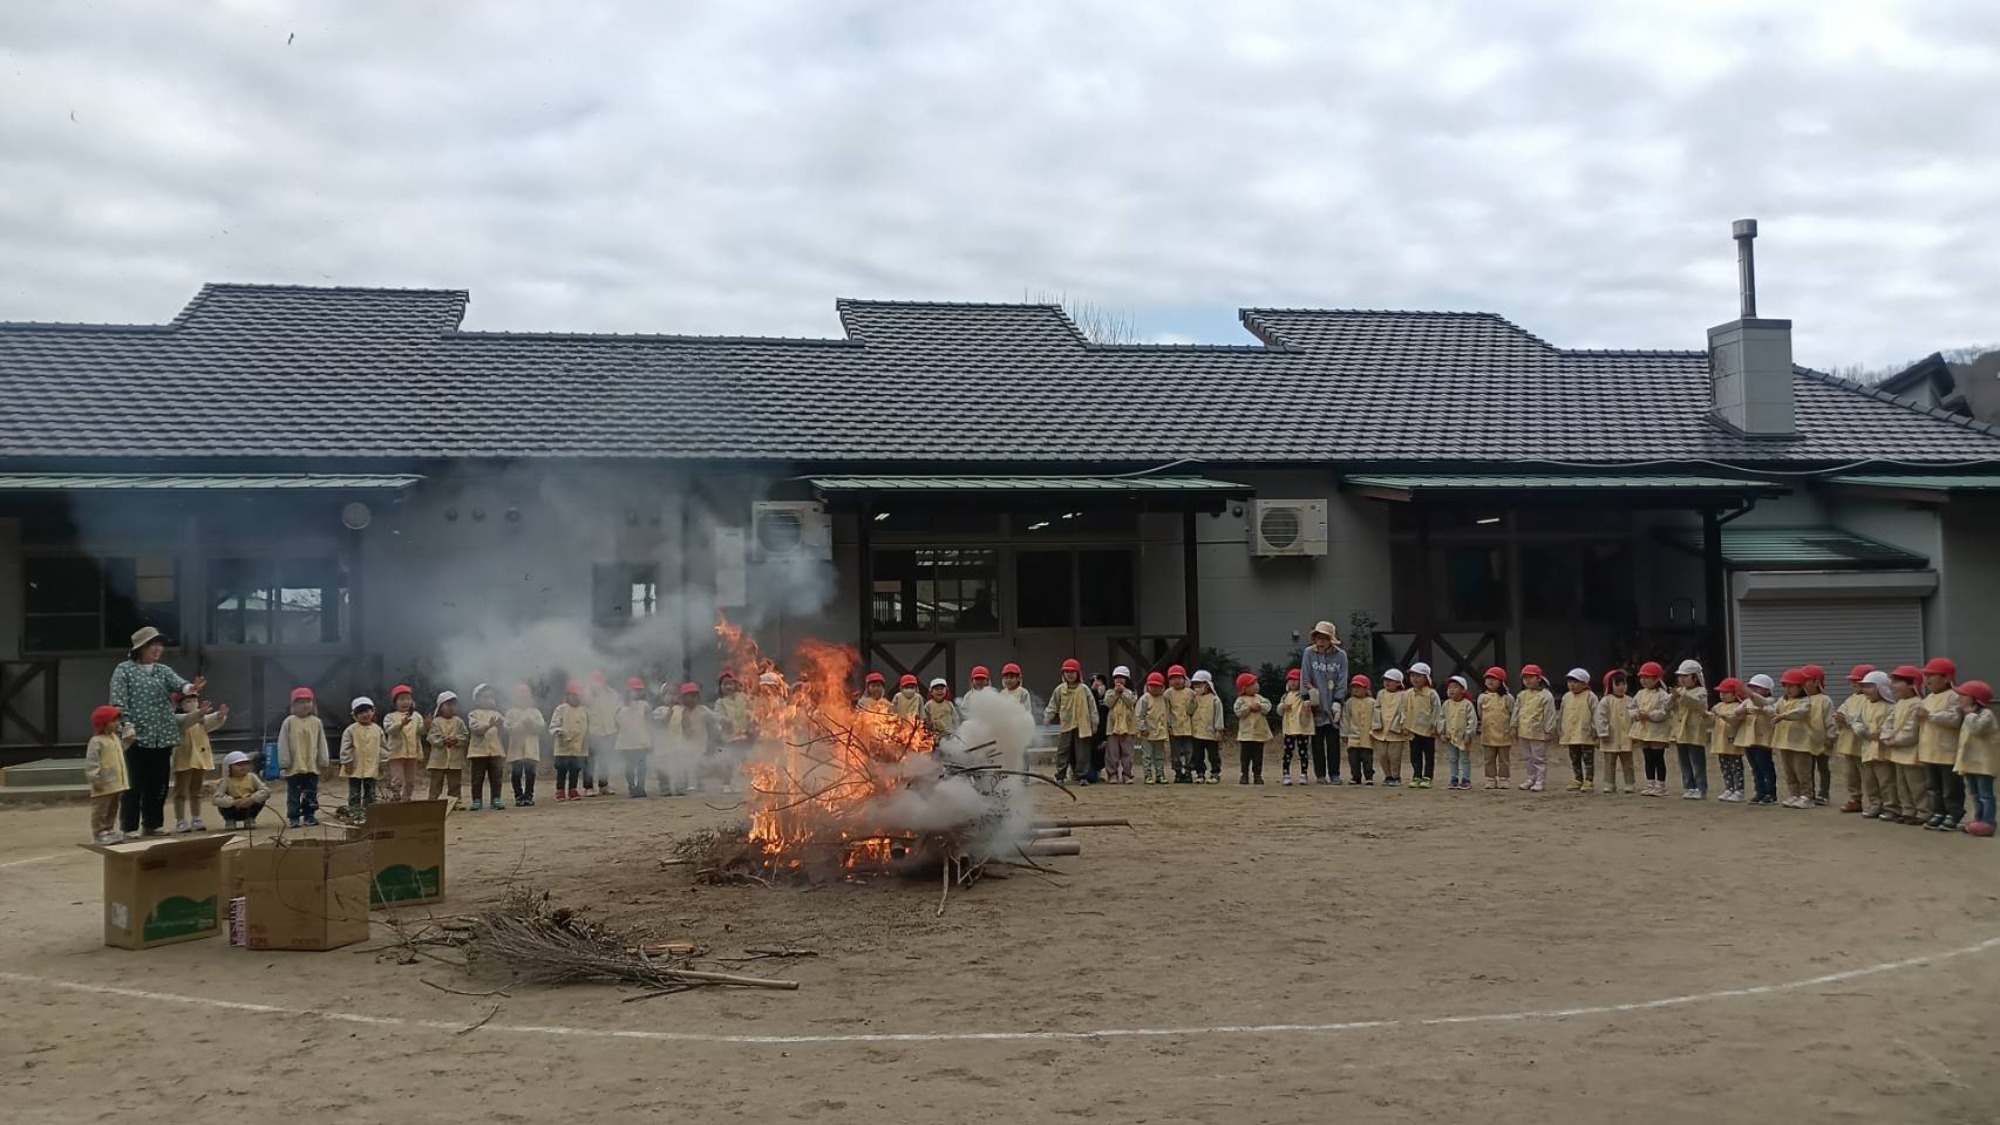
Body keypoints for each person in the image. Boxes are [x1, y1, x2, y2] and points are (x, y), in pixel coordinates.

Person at [108, 626, 205, 838]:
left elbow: (179, 684)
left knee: (159, 783)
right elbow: (118, 701)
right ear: (140, 648)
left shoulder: (163, 670)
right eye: (153, 644)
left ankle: (153, 824)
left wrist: (191, 688)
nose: (158, 649)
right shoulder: (124, 670)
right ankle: (129, 827)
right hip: (136, 736)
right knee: (134, 784)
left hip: (162, 736)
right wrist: (126, 726)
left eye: (160, 644)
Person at [1917, 657, 1966, 831]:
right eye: (1926, 675)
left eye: (1932, 675)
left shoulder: (1954, 696)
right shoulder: (1928, 698)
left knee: (1950, 787)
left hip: (1947, 751)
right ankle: (1938, 811)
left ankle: (1954, 813)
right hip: (1929, 751)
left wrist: (1929, 715)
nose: (1927, 680)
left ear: (1946, 678)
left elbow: (1954, 719)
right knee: (1933, 786)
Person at [171, 687, 227, 833]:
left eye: (195, 700)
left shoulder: (200, 719)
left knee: (196, 791)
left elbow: (209, 721)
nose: (193, 703)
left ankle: (196, 818)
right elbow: (188, 720)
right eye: (188, 701)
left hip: (200, 757)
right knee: (181, 791)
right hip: (184, 758)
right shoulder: (177, 719)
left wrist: (219, 716)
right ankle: (180, 820)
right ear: (180, 704)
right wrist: (199, 713)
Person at [1299, 621, 1348, 785]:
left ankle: (1335, 773)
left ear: (1330, 639)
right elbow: (1305, 676)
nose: (1320, 640)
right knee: (1317, 742)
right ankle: (1320, 774)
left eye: (1324, 637)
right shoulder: (1308, 653)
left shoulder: (1341, 655)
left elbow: (1342, 679)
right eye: (1318, 637)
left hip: (1332, 703)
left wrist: (1338, 700)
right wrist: (1306, 698)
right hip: (1316, 703)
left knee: (1333, 742)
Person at [1881, 665, 1929, 826]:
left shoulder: (1917, 703)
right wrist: (1887, 737)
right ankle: (1907, 810)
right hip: (1896, 751)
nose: (1894, 685)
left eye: (1898, 682)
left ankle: (1923, 811)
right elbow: (1888, 722)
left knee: (1917, 785)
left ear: (1911, 684)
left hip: (1911, 751)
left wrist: (1896, 740)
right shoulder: (1899, 704)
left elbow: (1912, 729)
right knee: (1901, 784)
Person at [277, 687, 328, 827]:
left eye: (308, 701)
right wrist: (284, 761)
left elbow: (321, 742)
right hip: (294, 766)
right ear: (294, 705)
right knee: (293, 793)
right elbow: (283, 743)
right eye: (301, 702)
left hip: (311, 765)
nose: (305, 705)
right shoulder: (289, 722)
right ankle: (293, 817)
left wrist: (323, 760)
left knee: (310, 792)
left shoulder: (316, 722)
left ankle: (309, 815)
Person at [1044, 659, 1098, 785]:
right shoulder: (1060, 689)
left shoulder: (1084, 689)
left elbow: (1092, 707)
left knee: (1082, 752)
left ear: (1078, 673)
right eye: (1067, 671)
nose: (1070, 674)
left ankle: (1082, 776)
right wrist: (1048, 717)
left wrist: (1094, 722)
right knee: (1063, 751)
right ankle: (1060, 775)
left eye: (1073, 672)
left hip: (1082, 724)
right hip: (1066, 724)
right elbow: (1053, 704)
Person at [1832, 665, 1877, 814]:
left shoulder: (1870, 700)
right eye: (1853, 682)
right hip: (1848, 742)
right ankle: (1855, 798)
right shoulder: (1851, 699)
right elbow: (1841, 711)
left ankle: (1874, 801)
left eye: (1857, 682)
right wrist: (1839, 718)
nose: (1854, 685)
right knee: (1850, 774)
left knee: (1868, 776)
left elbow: (1863, 719)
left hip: (1862, 743)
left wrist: (1848, 719)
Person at [85, 704, 132, 844]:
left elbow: (119, 751)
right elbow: (92, 762)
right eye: (115, 720)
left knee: (113, 807)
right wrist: (95, 779)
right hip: (103, 783)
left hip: (116, 782)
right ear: (104, 723)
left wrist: (127, 742)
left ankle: (109, 829)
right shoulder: (96, 741)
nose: (118, 723)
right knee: (100, 809)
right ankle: (99, 833)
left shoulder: (114, 738)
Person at [1953, 681, 1996, 836]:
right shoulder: (1967, 715)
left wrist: (1969, 714)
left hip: (1983, 763)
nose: (1959, 698)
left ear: (1974, 698)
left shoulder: (1986, 714)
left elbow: (1978, 729)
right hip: (1970, 762)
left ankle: (1988, 821)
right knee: (1975, 794)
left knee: (1985, 795)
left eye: (1963, 695)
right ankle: (1978, 820)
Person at [1771, 670, 1819, 809]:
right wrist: (1762, 709)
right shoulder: (1782, 700)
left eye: (1792, 686)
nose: (1788, 690)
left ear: (1800, 687)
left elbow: (1801, 713)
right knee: (1789, 770)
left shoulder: (1805, 701)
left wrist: (1783, 715)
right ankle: (1794, 794)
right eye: (1786, 686)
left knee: (1802, 770)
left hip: (1801, 742)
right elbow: (1772, 709)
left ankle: (1807, 796)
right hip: (1784, 741)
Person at [1855, 670, 1899, 821]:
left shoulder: (1890, 707)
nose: (1866, 690)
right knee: (1870, 780)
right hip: (1868, 749)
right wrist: (1864, 732)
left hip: (1883, 750)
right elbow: (1857, 721)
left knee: (1886, 781)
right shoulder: (1864, 706)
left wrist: (1881, 734)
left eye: (1870, 686)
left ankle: (1891, 807)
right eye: (1864, 687)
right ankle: (1875, 804)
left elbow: (1891, 724)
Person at [657, 683, 715, 796]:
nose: (672, 697)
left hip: (679, 744)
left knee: (680, 766)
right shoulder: (659, 710)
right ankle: (665, 789)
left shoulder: (683, 710)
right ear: (662, 696)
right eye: (669, 694)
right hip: (664, 745)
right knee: (663, 768)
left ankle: (680, 788)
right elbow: (658, 725)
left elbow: (687, 726)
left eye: (675, 694)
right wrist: (668, 714)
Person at [1668, 660, 1711, 800]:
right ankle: (1689, 786)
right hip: (1681, 731)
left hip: (1695, 731)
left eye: (1686, 676)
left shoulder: (1701, 691)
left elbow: (1697, 703)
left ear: (1695, 677)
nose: (1682, 679)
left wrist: (1681, 697)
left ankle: (1700, 788)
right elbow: (1666, 707)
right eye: (1680, 676)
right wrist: (1672, 698)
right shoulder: (1679, 691)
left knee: (1697, 762)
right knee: (1684, 762)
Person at [1513, 665, 1558, 793]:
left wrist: (1549, 730)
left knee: (1539, 757)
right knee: (1527, 757)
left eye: (1530, 677)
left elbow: (1550, 714)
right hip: (1523, 731)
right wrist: (1514, 726)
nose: (1527, 680)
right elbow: (1517, 711)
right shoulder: (1522, 695)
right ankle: (1531, 778)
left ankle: (1540, 780)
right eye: (1524, 678)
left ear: (1539, 678)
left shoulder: (1546, 696)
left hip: (1538, 731)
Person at [1632, 662, 1673, 798]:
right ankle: (1650, 783)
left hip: (1657, 731)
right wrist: (1636, 715)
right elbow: (1631, 707)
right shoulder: (1640, 693)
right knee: (1647, 758)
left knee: (1658, 758)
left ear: (1657, 679)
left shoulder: (1663, 695)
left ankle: (1660, 785)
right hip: (1644, 730)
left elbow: (1664, 712)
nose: (1643, 680)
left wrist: (1649, 715)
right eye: (1642, 677)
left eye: (1647, 677)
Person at [339, 696, 384, 820]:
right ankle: (355, 812)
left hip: (372, 766)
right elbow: (345, 747)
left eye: (367, 711)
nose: (365, 714)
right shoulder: (350, 730)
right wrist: (347, 761)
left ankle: (370, 812)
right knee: (355, 792)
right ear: (355, 715)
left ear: (373, 711)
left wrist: (383, 762)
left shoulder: (377, 729)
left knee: (370, 791)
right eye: (361, 712)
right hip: (355, 767)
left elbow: (383, 746)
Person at [464, 684, 508, 811]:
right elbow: (475, 729)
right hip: (478, 752)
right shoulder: (473, 714)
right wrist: (489, 726)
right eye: (484, 697)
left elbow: (502, 731)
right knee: (477, 778)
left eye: (490, 697)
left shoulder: (497, 714)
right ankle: (477, 800)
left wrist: (500, 727)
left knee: (496, 777)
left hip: (496, 750)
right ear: (476, 700)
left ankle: (496, 799)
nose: (488, 700)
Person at [1738, 673, 1780, 805]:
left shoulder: (1771, 701)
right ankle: (1760, 792)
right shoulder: (1747, 702)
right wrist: (1742, 711)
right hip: (1750, 738)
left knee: (1765, 766)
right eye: (1751, 687)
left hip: (1763, 739)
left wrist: (1752, 696)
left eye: (1757, 688)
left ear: (1767, 690)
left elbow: (1768, 707)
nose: (1753, 690)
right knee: (1755, 767)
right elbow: (1737, 712)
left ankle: (1770, 793)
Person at [382, 685, 427, 802]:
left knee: (410, 781)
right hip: (396, 753)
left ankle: (406, 799)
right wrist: (401, 724)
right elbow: (389, 730)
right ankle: (396, 798)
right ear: (395, 702)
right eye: (401, 699)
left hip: (412, 753)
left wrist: (427, 726)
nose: (405, 702)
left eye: (408, 699)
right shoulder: (390, 717)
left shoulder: (416, 716)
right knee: (397, 779)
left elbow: (421, 731)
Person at [505, 684, 547, 808]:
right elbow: (508, 728)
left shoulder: (535, 712)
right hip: (516, 747)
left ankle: (529, 795)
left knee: (530, 773)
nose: (523, 700)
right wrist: (520, 724)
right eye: (520, 698)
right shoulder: (511, 712)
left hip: (531, 748)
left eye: (525, 698)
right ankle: (518, 796)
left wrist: (531, 724)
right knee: (516, 773)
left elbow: (541, 727)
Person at [425, 691, 469, 807]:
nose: (451, 708)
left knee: (455, 782)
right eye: (448, 705)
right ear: (440, 707)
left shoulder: (459, 721)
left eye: (454, 705)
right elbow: (431, 737)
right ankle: (433, 801)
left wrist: (457, 740)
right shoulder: (436, 722)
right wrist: (442, 741)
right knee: (436, 782)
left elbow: (465, 735)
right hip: (438, 759)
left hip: (455, 758)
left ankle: (456, 801)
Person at [1596, 669, 1636, 794]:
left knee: (1628, 762)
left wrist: (1635, 732)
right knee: (1609, 762)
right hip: (1610, 737)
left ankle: (1630, 783)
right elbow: (1600, 718)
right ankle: (1609, 783)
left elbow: (1635, 717)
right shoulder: (1605, 701)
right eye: (1617, 684)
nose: (1621, 687)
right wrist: (1603, 733)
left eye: (1623, 684)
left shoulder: (1630, 700)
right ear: (1610, 685)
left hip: (1626, 737)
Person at [1559, 668, 1598, 793]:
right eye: (1570, 681)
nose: (1572, 684)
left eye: (1575, 682)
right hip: (1571, 733)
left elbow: (1596, 714)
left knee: (1588, 758)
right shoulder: (1566, 697)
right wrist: (1561, 729)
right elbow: (1562, 715)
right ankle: (1578, 779)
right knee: (1574, 757)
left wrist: (1596, 731)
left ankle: (1589, 780)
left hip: (1586, 734)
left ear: (1584, 683)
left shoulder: (1590, 696)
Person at [550, 682, 591, 802]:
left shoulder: (584, 710)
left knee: (576, 769)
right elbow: (554, 724)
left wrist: (589, 737)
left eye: (577, 695)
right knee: (562, 769)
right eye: (572, 695)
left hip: (579, 745)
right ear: (567, 696)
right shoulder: (561, 709)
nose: (575, 698)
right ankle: (560, 790)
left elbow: (589, 725)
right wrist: (558, 731)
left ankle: (573, 789)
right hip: (563, 745)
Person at [1278, 669, 1318, 786]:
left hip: (1303, 728)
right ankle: (1286, 774)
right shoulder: (1285, 696)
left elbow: (1315, 700)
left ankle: (1304, 774)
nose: (1292, 682)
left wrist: (1311, 688)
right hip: (1289, 729)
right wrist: (1283, 707)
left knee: (1303, 752)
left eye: (1295, 680)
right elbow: (1279, 711)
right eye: (1290, 680)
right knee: (1287, 753)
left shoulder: (1305, 695)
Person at [1405, 663, 1443, 790]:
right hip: (1412, 728)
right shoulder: (1408, 693)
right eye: (1412, 675)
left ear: (1426, 677)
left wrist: (1435, 726)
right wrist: (1404, 724)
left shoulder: (1431, 693)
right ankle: (1416, 775)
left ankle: (1428, 776)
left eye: (1418, 676)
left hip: (1427, 730)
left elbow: (1436, 710)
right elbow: (1404, 710)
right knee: (1414, 754)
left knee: (1429, 754)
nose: (1414, 679)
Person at [1709, 678, 1747, 803]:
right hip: (1721, 741)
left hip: (1732, 740)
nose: (1723, 695)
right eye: (1721, 692)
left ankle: (1739, 790)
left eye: (1726, 692)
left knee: (1736, 766)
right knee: (1725, 766)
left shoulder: (1738, 706)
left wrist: (1725, 717)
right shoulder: (1718, 706)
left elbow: (1735, 721)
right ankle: (1729, 788)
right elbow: (1711, 721)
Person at [614, 677, 653, 798]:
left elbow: (649, 722)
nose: (637, 693)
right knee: (629, 766)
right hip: (626, 742)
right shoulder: (620, 707)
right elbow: (616, 723)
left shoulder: (645, 706)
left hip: (641, 741)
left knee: (641, 765)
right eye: (634, 690)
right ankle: (632, 786)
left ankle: (641, 787)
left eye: (639, 690)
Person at [1476, 667, 1514, 790]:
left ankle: (1504, 778)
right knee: (1489, 758)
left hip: (1503, 733)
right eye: (1487, 678)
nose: (1490, 681)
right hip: (1488, 733)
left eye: (1493, 679)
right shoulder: (1482, 697)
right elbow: (1480, 713)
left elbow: (1511, 712)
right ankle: (1490, 778)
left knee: (1504, 758)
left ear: (1501, 681)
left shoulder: (1507, 698)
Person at [211, 750, 269, 830]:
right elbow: (216, 799)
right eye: (238, 764)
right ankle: (230, 821)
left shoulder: (252, 777)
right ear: (229, 767)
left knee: (260, 800)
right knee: (222, 804)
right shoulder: (226, 780)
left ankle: (250, 819)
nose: (243, 767)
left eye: (245, 764)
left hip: (249, 805)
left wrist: (252, 799)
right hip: (234, 807)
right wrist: (233, 802)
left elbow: (266, 791)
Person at [1803, 665, 1835, 805]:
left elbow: (1830, 720)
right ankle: (1809, 792)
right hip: (1805, 740)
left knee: (1823, 767)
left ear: (1816, 682)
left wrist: (1830, 737)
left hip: (1821, 740)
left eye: (1806, 681)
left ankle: (1824, 793)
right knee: (1806, 768)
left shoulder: (1825, 700)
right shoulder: (1802, 699)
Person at [1233, 671, 1272, 785]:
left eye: (1256, 683)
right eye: (1253, 684)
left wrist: (1260, 707)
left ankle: (1257, 775)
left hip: (1259, 733)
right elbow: (1238, 712)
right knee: (1245, 756)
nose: (1257, 685)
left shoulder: (1259, 698)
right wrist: (1249, 708)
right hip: (1246, 734)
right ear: (1245, 688)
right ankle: (1244, 774)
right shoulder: (1241, 700)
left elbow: (1268, 707)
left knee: (1258, 756)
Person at [1375, 668, 1411, 788]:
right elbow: (1377, 708)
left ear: (1398, 683)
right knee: (1382, 755)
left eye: (1391, 680)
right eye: (1385, 680)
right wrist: (1376, 723)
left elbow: (1404, 711)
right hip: (1381, 730)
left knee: (1394, 756)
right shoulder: (1381, 694)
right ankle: (1387, 776)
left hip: (1396, 730)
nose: (1387, 683)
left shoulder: (1404, 695)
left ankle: (1396, 776)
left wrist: (1402, 724)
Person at [585, 671, 620, 797]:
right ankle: (588, 787)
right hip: (592, 732)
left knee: (604, 760)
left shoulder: (612, 694)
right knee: (590, 762)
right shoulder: (587, 693)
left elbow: (617, 710)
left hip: (608, 730)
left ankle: (604, 785)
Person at [1102, 668, 1138, 784]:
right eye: (1116, 678)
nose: (1119, 680)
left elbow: (1130, 702)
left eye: (1122, 678)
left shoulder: (1132, 692)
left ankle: (1127, 774)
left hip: (1128, 728)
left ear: (1127, 680)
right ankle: (1112, 775)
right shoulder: (1109, 692)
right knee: (1112, 754)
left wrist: (1123, 692)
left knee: (1128, 754)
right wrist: (1116, 693)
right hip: (1113, 729)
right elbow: (1108, 703)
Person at [1136, 671, 1172, 785]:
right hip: (1147, 733)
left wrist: (1168, 726)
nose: (1155, 688)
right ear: (1148, 686)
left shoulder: (1164, 698)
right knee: (1147, 756)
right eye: (1152, 686)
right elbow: (1139, 715)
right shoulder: (1144, 699)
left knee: (1159, 756)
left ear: (1162, 687)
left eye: (1157, 686)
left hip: (1160, 732)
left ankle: (1160, 774)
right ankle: (1148, 775)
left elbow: (1167, 713)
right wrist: (1142, 728)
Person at [1442, 675, 1477, 790]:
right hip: (1450, 737)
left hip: (1463, 737)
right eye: (1450, 687)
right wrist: (1442, 732)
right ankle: (1454, 779)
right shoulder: (1446, 704)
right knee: (1452, 758)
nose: (1451, 690)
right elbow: (1441, 718)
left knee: (1464, 759)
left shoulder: (1467, 704)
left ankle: (1466, 779)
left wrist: (1469, 735)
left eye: (1455, 687)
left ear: (1463, 690)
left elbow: (1472, 721)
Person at [1188, 670, 1224, 783]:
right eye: (1195, 685)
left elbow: (1219, 715)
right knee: (1198, 755)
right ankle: (1200, 773)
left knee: (1213, 755)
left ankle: (1215, 773)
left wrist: (1219, 729)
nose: (1197, 687)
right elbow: (1189, 711)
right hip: (1197, 732)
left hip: (1211, 733)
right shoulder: (1195, 698)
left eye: (1199, 685)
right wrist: (1192, 701)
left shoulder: (1215, 699)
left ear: (1207, 685)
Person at [1342, 674, 1378, 785]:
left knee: (1367, 758)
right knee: (1353, 759)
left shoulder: (1372, 702)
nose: (1356, 689)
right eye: (1354, 687)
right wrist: (1344, 733)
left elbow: (1376, 717)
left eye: (1359, 687)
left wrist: (1375, 730)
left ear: (1366, 689)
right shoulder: (1349, 703)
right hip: (1353, 736)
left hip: (1367, 735)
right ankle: (1355, 777)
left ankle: (1369, 776)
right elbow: (1345, 718)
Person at [1164, 665, 1196, 784]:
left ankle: (1188, 772)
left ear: (1185, 679)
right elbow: (1166, 710)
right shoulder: (1167, 694)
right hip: (1174, 728)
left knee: (1189, 751)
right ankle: (1177, 772)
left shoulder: (1190, 693)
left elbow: (1192, 710)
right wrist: (1167, 724)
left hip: (1188, 727)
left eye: (1179, 678)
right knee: (1175, 753)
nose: (1177, 681)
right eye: (1173, 678)